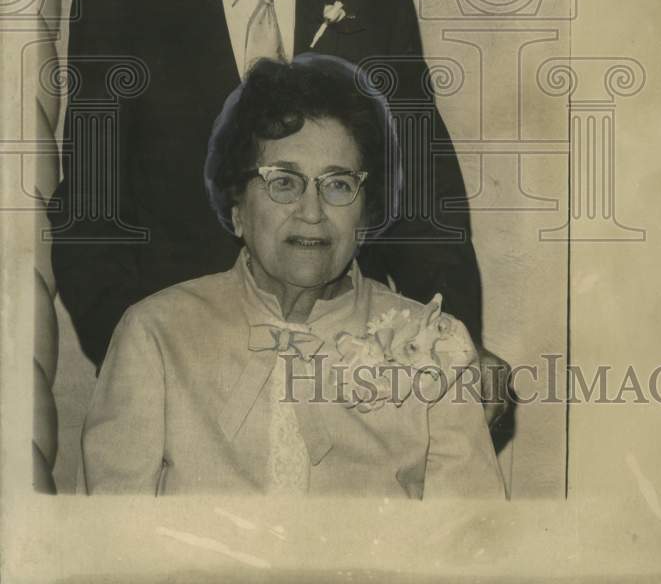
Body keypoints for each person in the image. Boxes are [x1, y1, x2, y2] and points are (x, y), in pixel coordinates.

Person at [50, 0, 508, 421]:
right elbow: (90, 223)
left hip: (351, 384)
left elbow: (426, 203)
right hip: (189, 383)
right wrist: (148, 369)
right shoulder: (120, 9)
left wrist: (452, 348)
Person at [78, 55, 505, 497]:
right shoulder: (155, 336)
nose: (312, 211)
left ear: (366, 215)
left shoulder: (432, 346)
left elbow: (469, 549)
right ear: (237, 208)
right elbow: (115, 546)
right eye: (284, 182)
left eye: (338, 184)